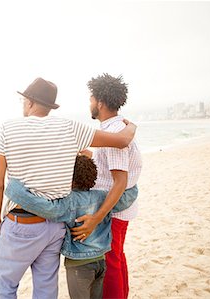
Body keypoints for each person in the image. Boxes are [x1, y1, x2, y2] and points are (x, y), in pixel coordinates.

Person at [0, 77, 137, 299]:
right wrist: (132, 125)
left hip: (20, 224)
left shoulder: (6, 128)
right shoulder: (70, 127)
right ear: (49, 106)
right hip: (53, 228)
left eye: (23, 101)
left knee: (5, 286)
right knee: (46, 290)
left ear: (29, 102)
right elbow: (122, 140)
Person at [4, 155, 138, 299]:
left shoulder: (69, 202)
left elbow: (46, 208)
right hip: (101, 260)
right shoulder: (103, 197)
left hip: (79, 265)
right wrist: (131, 182)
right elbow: (127, 198)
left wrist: (15, 189)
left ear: (69, 178)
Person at [70, 73, 142, 299]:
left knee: (111, 262)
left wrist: (95, 219)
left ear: (100, 102)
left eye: (91, 99)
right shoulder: (117, 127)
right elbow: (109, 163)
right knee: (117, 257)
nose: (89, 103)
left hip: (114, 210)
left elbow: (119, 181)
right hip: (120, 207)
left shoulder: (113, 133)